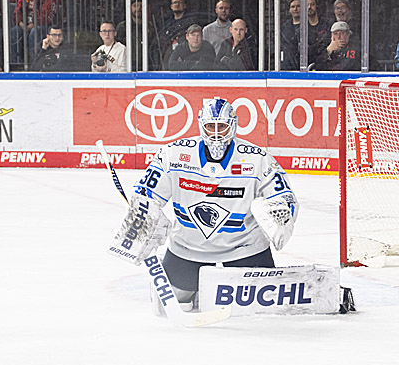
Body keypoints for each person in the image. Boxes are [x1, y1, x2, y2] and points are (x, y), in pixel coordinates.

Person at [107, 97, 298, 312]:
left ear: (233, 126)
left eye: (222, 127)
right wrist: (142, 218)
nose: (216, 134)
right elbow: (147, 193)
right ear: (201, 126)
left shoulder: (257, 159)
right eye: (210, 127)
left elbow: (285, 196)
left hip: (245, 248)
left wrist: (280, 218)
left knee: (261, 306)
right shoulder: (173, 154)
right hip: (188, 248)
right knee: (173, 304)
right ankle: (192, 286)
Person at [116, 0, 161, 70]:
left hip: (147, 65)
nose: (138, 8)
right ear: (130, 8)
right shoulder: (123, 26)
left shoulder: (150, 26)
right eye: (135, 6)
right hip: (127, 65)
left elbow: (155, 47)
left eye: (141, 6)